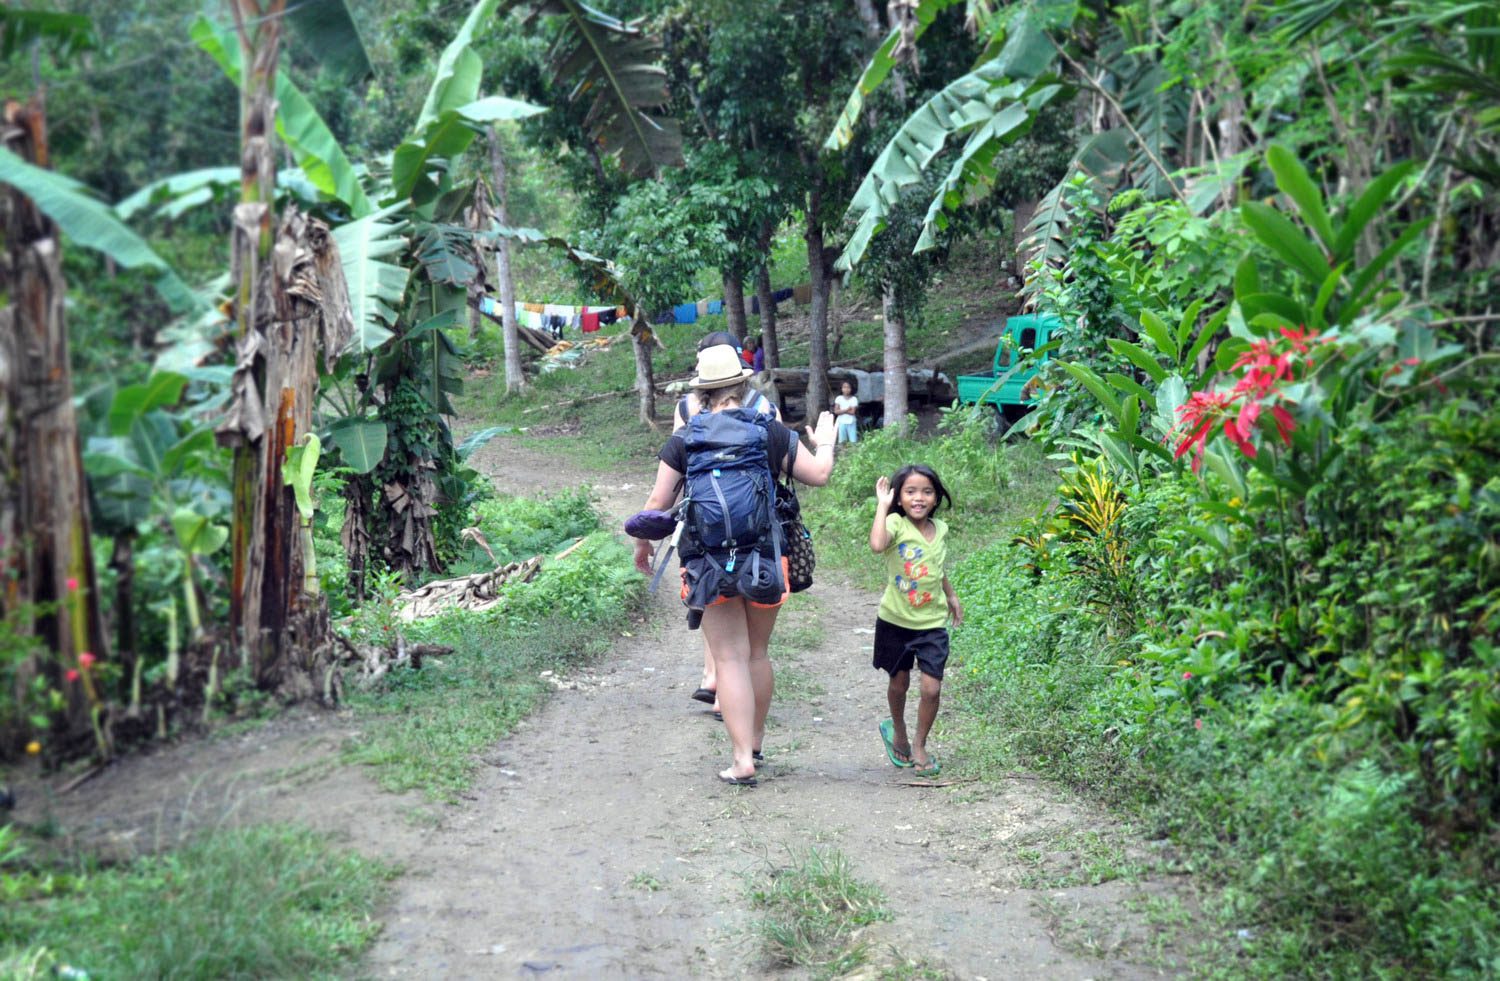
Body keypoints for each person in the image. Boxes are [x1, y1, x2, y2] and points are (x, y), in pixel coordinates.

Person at [635, 345, 837, 785]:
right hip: (765, 555)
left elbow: (657, 504)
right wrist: (827, 443)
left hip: (707, 560)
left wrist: (642, 547)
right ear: (744, 386)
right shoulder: (769, 432)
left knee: (728, 658)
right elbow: (819, 474)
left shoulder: (685, 439)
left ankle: (741, 758)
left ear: (701, 394)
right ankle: (757, 743)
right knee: (757, 654)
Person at [676, 333, 780, 715]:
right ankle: (752, 739)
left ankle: (712, 678)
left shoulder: (687, 411)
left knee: (720, 619)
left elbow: (678, 470)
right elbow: (788, 466)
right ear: (742, 375)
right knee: (755, 652)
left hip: (707, 540)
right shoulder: (764, 409)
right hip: (760, 539)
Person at [868, 464, 963, 777]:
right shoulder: (895, 523)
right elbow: (878, 545)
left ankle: (920, 744)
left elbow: (935, 568)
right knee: (899, 682)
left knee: (932, 689)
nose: (918, 498)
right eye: (910, 492)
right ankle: (899, 730)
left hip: (931, 623)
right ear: (899, 497)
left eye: (926, 491)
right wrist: (882, 507)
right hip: (895, 620)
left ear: (936, 497)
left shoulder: (941, 530)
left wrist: (950, 595)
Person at [833, 380, 860, 444]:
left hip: (851, 422)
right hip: (841, 422)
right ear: (841, 388)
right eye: (844, 387)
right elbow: (836, 411)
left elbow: (852, 412)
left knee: (853, 441)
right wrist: (847, 409)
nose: (846, 389)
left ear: (851, 389)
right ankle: (843, 453)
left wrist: (841, 411)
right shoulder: (839, 398)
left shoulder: (854, 399)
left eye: (848, 387)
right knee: (842, 441)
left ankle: (853, 453)